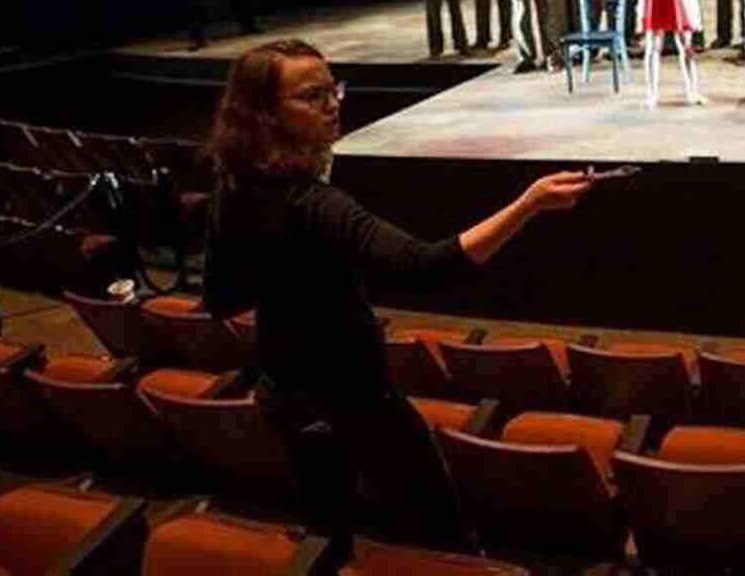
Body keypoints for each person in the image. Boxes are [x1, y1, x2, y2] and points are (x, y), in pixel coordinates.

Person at [201, 39, 591, 565]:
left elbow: (221, 297)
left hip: (284, 394)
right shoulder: (317, 206)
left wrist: (293, 283)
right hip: (357, 402)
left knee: (328, 537)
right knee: (443, 533)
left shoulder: (235, 186)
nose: (332, 103)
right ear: (266, 116)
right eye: (311, 95)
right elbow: (426, 266)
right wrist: (529, 204)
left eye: (332, 88)